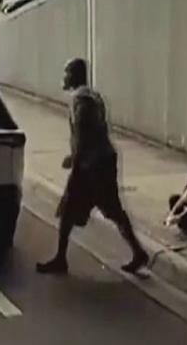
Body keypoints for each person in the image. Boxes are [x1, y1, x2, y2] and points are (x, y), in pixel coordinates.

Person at [37, 58, 149, 275]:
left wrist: (76, 163)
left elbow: (83, 135)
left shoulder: (80, 101)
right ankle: (137, 252)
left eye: (66, 72)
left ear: (74, 75)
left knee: (71, 209)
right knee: (112, 211)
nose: (64, 77)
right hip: (101, 160)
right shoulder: (92, 96)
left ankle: (61, 259)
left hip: (93, 165)